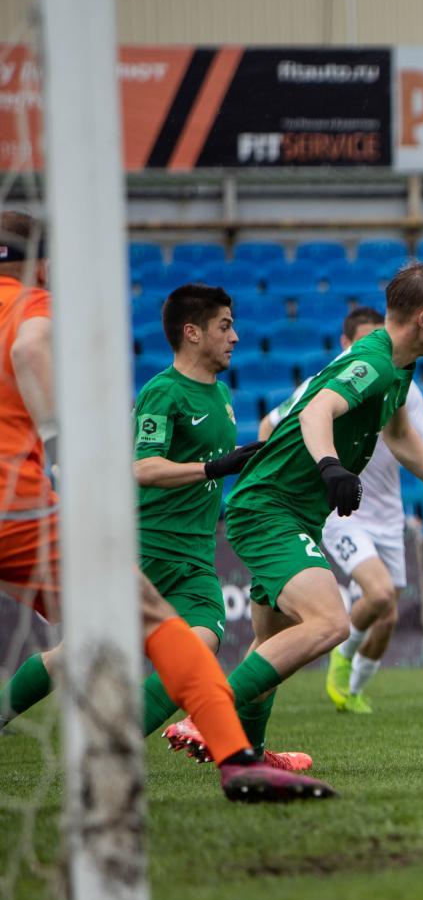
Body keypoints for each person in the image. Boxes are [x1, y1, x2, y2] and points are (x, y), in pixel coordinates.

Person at [0, 216, 329, 801]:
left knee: (198, 641)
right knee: (87, 653)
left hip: (196, 553)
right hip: (150, 543)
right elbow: (140, 468)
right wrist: (213, 469)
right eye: (224, 326)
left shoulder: (223, 397)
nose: (234, 336)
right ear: (191, 333)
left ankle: (146, 748)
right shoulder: (162, 392)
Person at [163, 263, 423, 765]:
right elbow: (316, 409)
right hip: (269, 508)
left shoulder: (400, 366)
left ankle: (251, 754)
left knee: (273, 644)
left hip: (292, 511)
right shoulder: (375, 360)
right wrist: (330, 465)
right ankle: (207, 714)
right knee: (329, 623)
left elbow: (398, 436)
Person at [259, 305, 423, 715]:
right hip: (345, 510)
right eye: (363, 341)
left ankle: (352, 692)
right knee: (375, 594)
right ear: (346, 344)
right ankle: (337, 662)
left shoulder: (402, 383)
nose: (373, 349)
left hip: (389, 514)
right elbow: (273, 423)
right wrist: (319, 465)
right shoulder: (327, 383)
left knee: (388, 615)